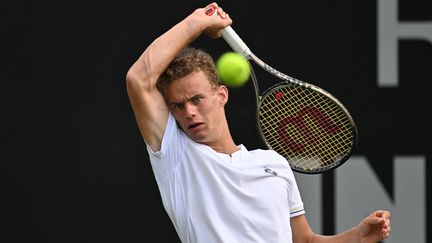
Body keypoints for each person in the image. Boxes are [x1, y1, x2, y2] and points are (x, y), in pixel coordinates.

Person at [126, 2, 391, 243]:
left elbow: (304, 241)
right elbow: (138, 79)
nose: (189, 112)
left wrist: (357, 237)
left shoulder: (274, 164)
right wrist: (198, 21)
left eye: (197, 99)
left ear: (221, 95)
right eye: (178, 105)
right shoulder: (175, 157)